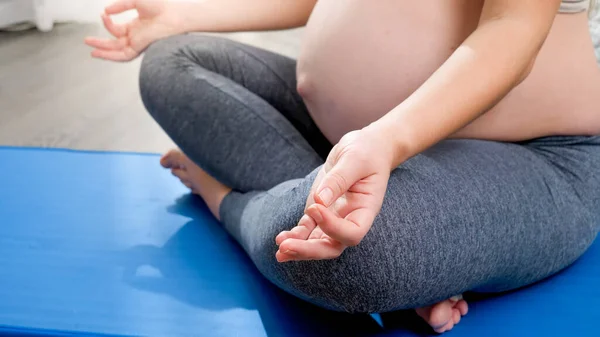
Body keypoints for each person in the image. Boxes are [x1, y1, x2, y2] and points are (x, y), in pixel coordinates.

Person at [85, 0, 600, 333]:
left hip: (537, 155)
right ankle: (366, 220)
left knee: (359, 254)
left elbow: (512, 32)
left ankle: (226, 200)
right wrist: (183, 17)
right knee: (172, 63)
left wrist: (388, 141)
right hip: (362, 138)